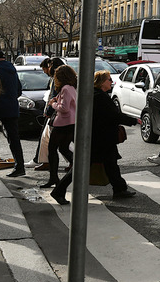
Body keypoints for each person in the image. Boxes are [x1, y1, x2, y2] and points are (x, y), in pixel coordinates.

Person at [52, 70, 139, 204]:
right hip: (99, 139)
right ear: (102, 82)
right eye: (109, 79)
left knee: (111, 163)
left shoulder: (95, 94)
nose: (111, 82)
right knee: (82, 167)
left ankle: (119, 188)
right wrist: (133, 121)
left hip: (99, 137)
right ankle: (58, 191)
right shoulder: (100, 96)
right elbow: (113, 116)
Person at [0, 50, 25, 177]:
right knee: (14, 138)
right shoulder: (12, 69)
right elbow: (19, 90)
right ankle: (20, 165)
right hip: (12, 107)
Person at [46, 65, 78, 202]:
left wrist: (52, 104)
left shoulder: (65, 88)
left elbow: (64, 108)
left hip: (63, 123)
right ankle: (59, 174)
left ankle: (55, 177)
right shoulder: (72, 87)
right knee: (63, 148)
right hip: (70, 122)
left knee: (52, 148)